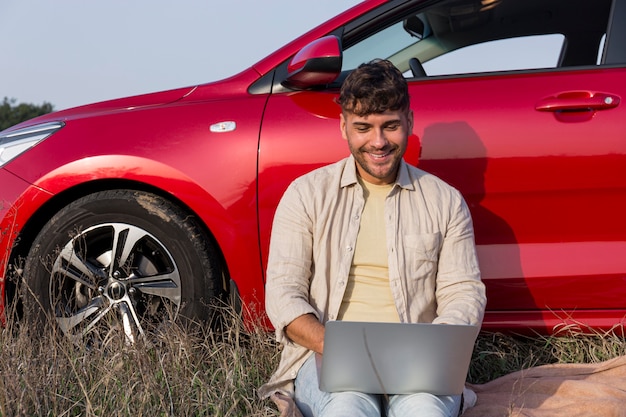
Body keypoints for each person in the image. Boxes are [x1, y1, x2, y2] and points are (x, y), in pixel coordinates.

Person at [259, 59, 486, 417]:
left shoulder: (445, 201)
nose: (378, 142)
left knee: (424, 410)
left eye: (391, 126)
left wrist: (434, 349)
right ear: (343, 126)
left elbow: (464, 292)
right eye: (363, 127)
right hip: (329, 355)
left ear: (409, 122)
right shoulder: (306, 195)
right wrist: (336, 348)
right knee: (346, 409)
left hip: (417, 361)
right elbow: (283, 294)